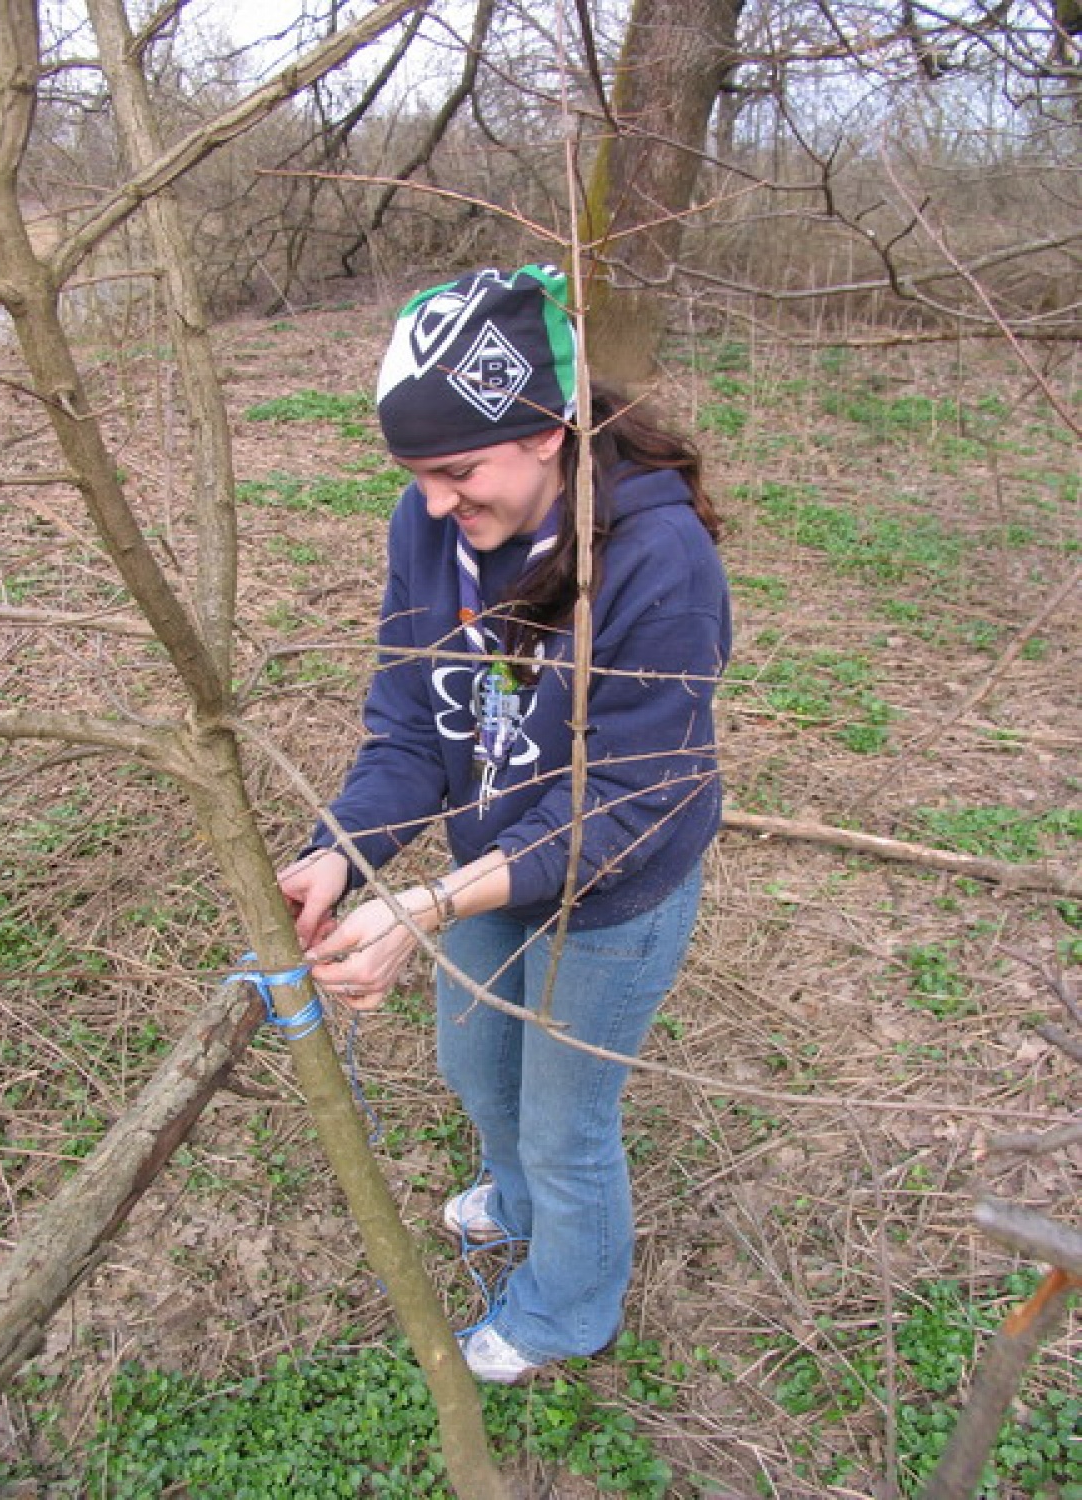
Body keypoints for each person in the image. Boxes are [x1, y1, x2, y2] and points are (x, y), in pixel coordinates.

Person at [278, 264, 731, 1384]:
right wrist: (343, 849)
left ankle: (568, 1309)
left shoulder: (659, 564)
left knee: (566, 1125)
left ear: (547, 433)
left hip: (613, 890)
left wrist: (425, 902)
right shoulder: (428, 527)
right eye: (416, 475)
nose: (434, 501)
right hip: (489, 859)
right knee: (478, 1064)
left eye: (457, 470)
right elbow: (407, 725)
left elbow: (627, 801)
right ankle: (516, 1198)